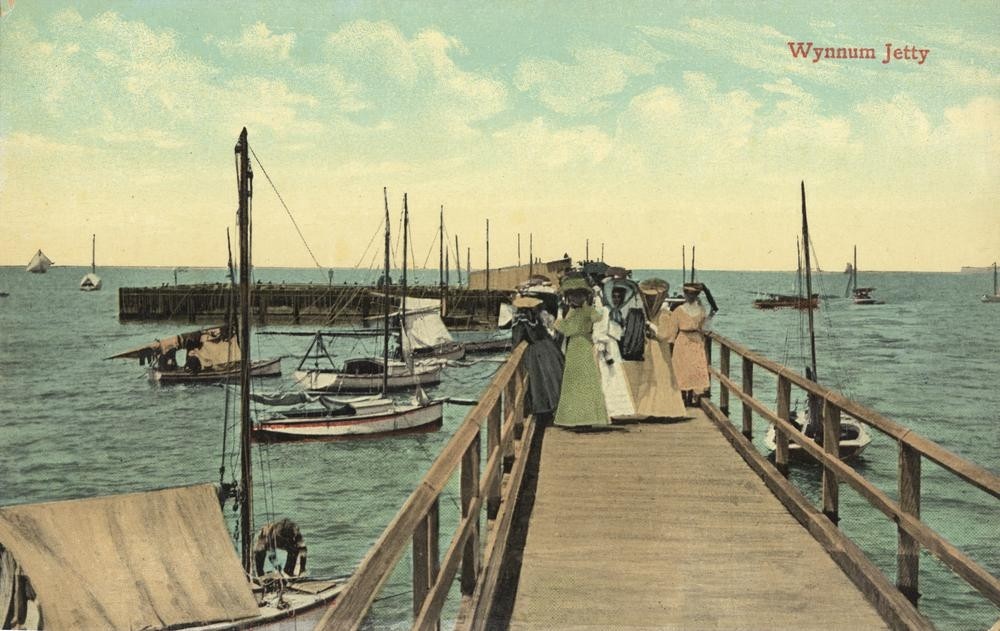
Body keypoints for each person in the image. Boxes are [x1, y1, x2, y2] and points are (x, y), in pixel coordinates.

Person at [622, 278, 686, 418]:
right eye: (648, 297)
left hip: (660, 350)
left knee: (661, 376)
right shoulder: (647, 313)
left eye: (653, 298)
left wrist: (652, 329)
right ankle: (648, 408)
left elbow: (665, 335)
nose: (650, 300)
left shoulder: (664, 314)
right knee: (648, 377)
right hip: (648, 348)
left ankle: (663, 409)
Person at [553, 277, 610, 428]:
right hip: (581, 345)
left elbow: (566, 329)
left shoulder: (579, 311)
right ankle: (585, 417)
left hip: (579, 345)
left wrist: (558, 317)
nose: (575, 298)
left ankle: (579, 418)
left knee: (579, 382)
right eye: (573, 295)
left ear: (584, 296)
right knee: (583, 381)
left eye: (578, 295)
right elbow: (599, 316)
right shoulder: (584, 310)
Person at [511, 295, 564, 422]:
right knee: (550, 377)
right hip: (546, 347)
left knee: (538, 379)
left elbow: (518, 338)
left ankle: (540, 409)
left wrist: (513, 350)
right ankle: (550, 407)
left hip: (534, 351)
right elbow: (541, 333)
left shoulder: (521, 319)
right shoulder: (537, 316)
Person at [592, 281, 637, 419]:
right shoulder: (605, 311)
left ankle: (614, 410)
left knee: (615, 377)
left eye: (619, 297)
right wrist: (605, 351)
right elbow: (599, 333)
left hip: (614, 347)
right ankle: (604, 410)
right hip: (605, 347)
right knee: (606, 377)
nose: (616, 299)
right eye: (614, 296)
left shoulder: (618, 313)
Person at [665, 283, 713, 406]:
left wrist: (709, 318)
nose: (690, 296)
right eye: (688, 294)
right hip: (683, 338)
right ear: (685, 294)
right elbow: (672, 329)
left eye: (693, 294)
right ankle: (682, 396)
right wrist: (671, 343)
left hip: (696, 339)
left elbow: (704, 325)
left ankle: (690, 395)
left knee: (693, 368)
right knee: (682, 367)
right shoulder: (679, 310)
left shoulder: (701, 310)